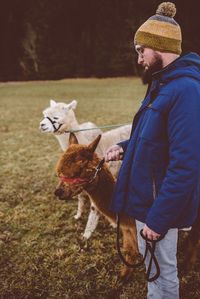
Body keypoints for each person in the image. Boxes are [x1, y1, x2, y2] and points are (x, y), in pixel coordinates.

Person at [105, 2, 200, 299]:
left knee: (163, 274)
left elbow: (186, 164)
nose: (139, 59)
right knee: (153, 270)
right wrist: (124, 147)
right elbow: (154, 138)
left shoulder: (185, 90)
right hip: (148, 198)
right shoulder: (162, 85)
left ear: (160, 47)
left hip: (158, 206)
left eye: (141, 50)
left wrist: (159, 219)